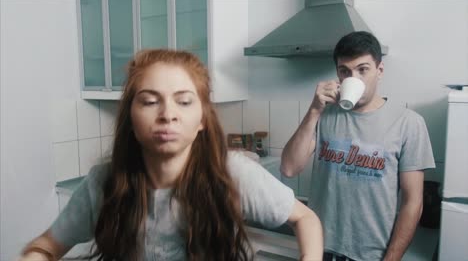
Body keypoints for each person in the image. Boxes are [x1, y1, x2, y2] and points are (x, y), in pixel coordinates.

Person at [19, 49, 323, 261]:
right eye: (150, 101)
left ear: (202, 119)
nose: (168, 115)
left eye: (184, 102)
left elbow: (305, 218)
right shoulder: (103, 183)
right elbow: (47, 246)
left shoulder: (234, 174)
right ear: (130, 117)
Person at [281, 31, 435, 261]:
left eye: (363, 69)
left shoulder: (409, 123)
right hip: (318, 248)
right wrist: (314, 110)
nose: (354, 78)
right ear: (338, 75)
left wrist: (391, 259)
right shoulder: (323, 115)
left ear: (379, 71)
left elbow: (413, 202)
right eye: (345, 71)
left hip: (371, 255)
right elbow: (289, 168)